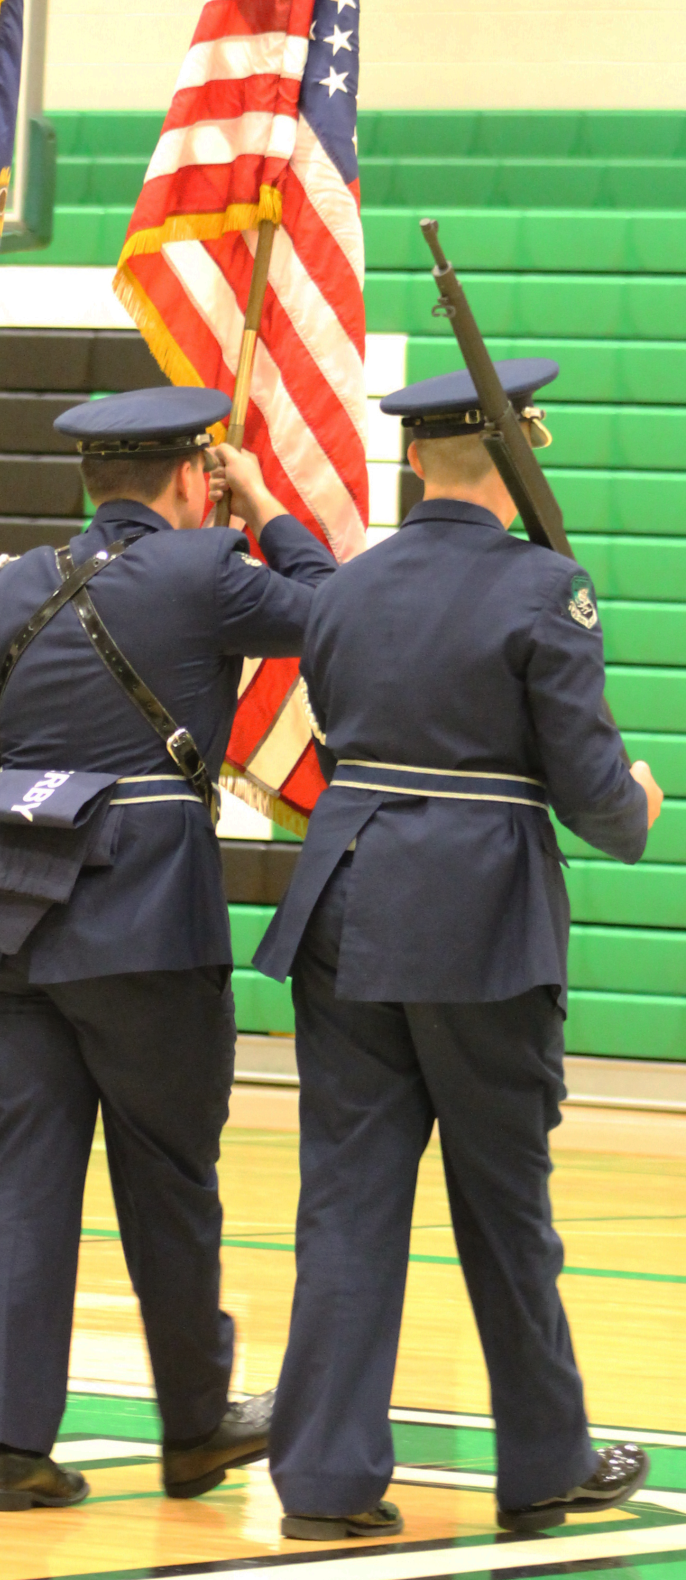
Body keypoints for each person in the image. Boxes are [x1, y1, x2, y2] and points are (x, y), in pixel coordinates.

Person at [253, 359, 658, 1541]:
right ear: (521, 445)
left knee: (346, 1204)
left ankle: (323, 1482)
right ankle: (542, 1464)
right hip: (477, 920)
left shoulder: (346, 590)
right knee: (503, 1207)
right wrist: (638, 800)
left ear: (413, 457)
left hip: (346, 901)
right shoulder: (546, 591)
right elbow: (593, 796)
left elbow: (345, 728)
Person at [0, 385, 337, 1512]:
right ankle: (194, 1424)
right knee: (166, 1175)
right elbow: (335, 612)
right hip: (147, 913)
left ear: (88, 481)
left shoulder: (6, 587)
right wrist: (268, 508)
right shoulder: (205, 568)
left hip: (10, 905)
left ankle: (7, 1448)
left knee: (21, 1173)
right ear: (191, 478)